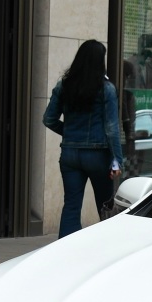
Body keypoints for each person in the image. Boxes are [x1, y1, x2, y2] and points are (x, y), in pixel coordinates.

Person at [42, 39, 124, 238]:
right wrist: (116, 161)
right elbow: (112, 128)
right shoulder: (106, 89)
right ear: (100, 61)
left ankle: (64, 252)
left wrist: (70, 134)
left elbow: (48, 119)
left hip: (70, 155)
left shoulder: (64, 86)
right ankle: (106, 248)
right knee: (104, 206)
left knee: (71, 204)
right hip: (98, 155)